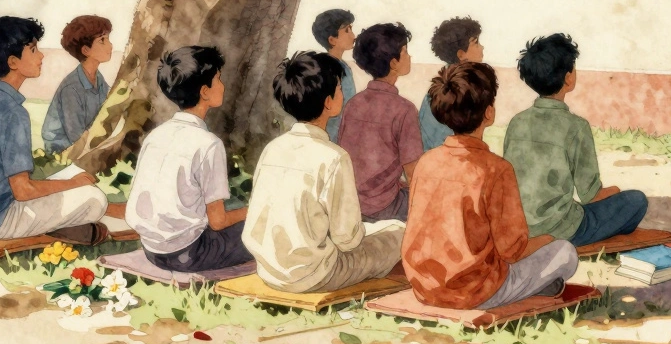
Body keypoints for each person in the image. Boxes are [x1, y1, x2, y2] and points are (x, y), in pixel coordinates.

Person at [403, 62, 577, 309]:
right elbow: (512, 251)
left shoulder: (425, 162)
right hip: (476, 292)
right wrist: (546, 239)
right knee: (565, 252)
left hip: (425, 288)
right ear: (489, 113)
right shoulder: (496, 169)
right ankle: (532, 288)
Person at [0, 16, 111, 245]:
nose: (41, 56)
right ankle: (53, 229)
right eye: (33, 50)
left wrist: (73, 181)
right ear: (13, 62)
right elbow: (23, 190)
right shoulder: (13, 113)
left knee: (74, 172)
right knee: (95, 198)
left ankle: (54, 228)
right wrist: (74, 184)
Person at [243, 51, 404, 293]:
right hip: (315, 274)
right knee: (398, 234)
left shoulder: (272, 149)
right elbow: (347, 240)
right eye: (339, 87)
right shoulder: (334, 157)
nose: (343, 92)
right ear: (328, 102)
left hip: (268, 271)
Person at [503, 34, 648, 248]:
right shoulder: (576, 126)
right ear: (568, 78)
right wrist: (615, 190)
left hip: (521, 228)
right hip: (563, 230)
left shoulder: (517, 122)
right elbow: (590, 195)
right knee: (636, 201)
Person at [125, 46, 252, 272]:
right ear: (204, 91)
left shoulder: (156, 136)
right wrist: (253, 210)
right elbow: (218, 221)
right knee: (260, 226)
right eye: (219, 79)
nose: (223, 85)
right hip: (190, 254)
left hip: (152, 251)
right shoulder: (208, 143)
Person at [337, 23, 423, 222]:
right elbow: (414, 174)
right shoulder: (404, 109)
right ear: (393, 63)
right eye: (405, 52)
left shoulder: (353, 104)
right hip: (384, 207)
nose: (409, 57)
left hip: (354, 204)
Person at [41, 15, 113, 156]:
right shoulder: (72, 88)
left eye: (108, 39)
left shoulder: (99, 79)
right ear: (86, 50)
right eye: (102, 40)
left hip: (85, 147)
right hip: (61, 153)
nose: (110, 46)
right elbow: (76, 136)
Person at [418, 17, 484, 151]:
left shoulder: (458, 85)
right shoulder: (450, 91)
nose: (482, 47)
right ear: (461, 54)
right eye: (476, 43)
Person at [311, 9, 357, 142]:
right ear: (332, 39)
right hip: (328, 135)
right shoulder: (326, 68)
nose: (353, 36)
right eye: (347, 30)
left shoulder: (344, 67)